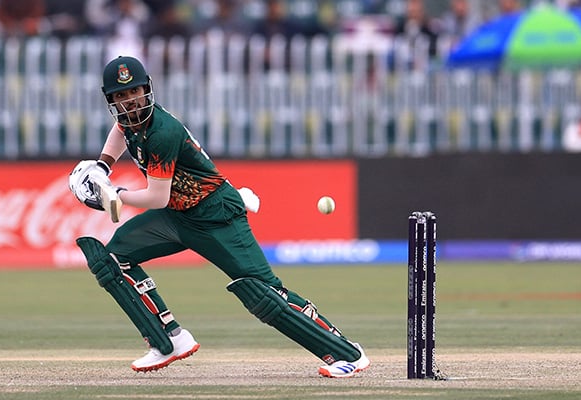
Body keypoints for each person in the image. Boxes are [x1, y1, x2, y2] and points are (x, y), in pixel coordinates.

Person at [67, 55, 370, 378]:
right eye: (121, 96)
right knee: (112, 259)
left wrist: (115, 196)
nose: (130, 102)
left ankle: (346, 353)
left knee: (264, 294)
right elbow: (120, 130)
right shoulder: (131, 121)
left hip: (216, 214)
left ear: (147, 91)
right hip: (177, 217)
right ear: (112, 100)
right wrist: (103, 166)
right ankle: (169, 340)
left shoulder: (162, 131)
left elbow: (157, 197)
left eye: (135, 93)